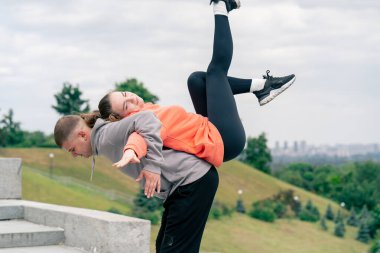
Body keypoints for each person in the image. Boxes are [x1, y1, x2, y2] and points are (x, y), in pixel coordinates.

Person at [97, 1, 296, 171]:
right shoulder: (139, 121)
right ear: (120, 117)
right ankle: (221, 5)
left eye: (125, 94)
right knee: (216, 71)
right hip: (224, 140)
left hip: (212, 131)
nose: (131, 97)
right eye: (126, 105)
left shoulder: (146, 110)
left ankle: (262, 87)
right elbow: (139, 138)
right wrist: (130, 152)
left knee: (196, 80)